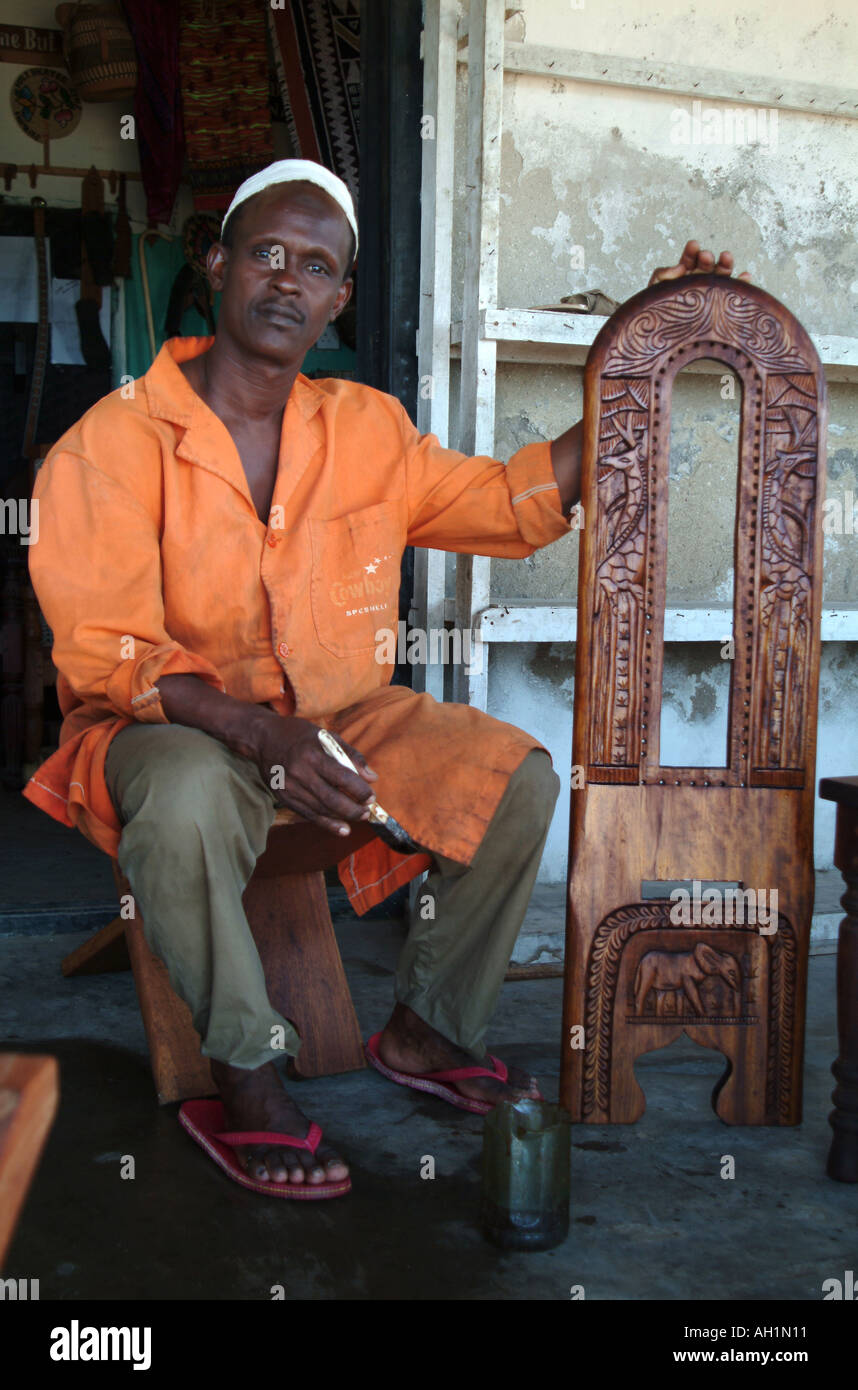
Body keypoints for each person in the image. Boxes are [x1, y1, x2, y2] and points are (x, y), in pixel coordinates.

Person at [24, 158, 749, 1197]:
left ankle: (426, 1032)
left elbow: (509, 501)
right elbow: (109, 653)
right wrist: (262, 737)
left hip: (342, 721)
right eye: (265, 253)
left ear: (339, 299)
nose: (287, 281)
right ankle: (248, 1077)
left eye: (316, 266)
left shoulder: (365, 429)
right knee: (185, 797)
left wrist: (644, 361)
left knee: (516, 779)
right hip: (174, 734)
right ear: (217, 265)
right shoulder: (114, 441)